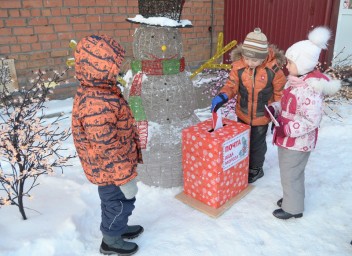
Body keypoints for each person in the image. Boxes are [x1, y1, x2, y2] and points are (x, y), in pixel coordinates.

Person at [71, 35, 143, 255]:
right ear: (98, 68)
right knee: (119, 203)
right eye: (113, 67)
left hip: (110, 167)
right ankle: (110, 240)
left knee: (114, 203)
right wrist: (125, 178)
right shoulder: (97, 102)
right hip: (111, 170)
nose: (117, 71)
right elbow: (106, 148)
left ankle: (117, 228)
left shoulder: (101, 89)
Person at [268, 26, 341, 220]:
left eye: (291, 63)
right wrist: (275, 108)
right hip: (287, 138)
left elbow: (311, 119)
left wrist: (287, 128)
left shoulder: (310, 89)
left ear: (304, 64)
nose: (287, 66)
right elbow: (287, 104)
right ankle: (292, 199)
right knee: (288, 172)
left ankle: (293, 209)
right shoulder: (294, 81)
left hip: (298, 141)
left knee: (291, 173)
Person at [211, 28, 286, 183]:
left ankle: (256, 168)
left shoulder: (273, 70)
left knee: (257, 145)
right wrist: (223, 95)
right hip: (242, 113)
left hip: (262, 116)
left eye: (255, 60)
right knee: (243, 142)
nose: (250, 63)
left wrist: (279, 115)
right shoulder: (239, 67)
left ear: (264, 56)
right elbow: (231, 85)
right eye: (247, 58)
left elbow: (280, 94)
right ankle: (243, 164)